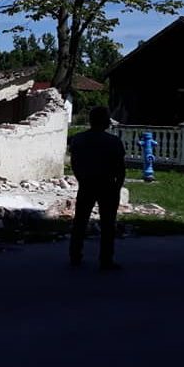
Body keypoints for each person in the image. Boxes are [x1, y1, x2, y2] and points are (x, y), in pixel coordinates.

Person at [68, 106, 126, 271]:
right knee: (108, 224)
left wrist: (81, 179)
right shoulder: (114, 142)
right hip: (108, 185)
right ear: (105, 121)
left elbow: (74, 163)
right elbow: (121, 169)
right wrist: (117, 187)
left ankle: (75, 255)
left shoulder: (78, 139)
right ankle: (106, 259)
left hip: (86, 184)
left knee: (80, 221)